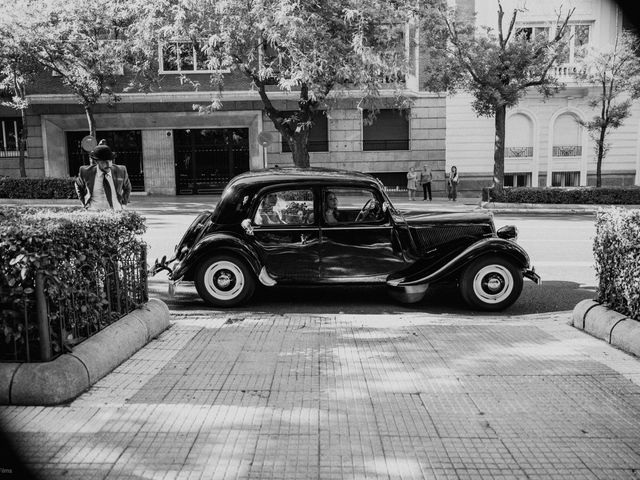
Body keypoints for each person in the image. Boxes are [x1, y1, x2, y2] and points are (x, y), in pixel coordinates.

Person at [75, 143, 131, 210]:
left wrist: (124, 204)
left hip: (115, 211)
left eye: (110, 160)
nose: (109, 164)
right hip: (93, 212)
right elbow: (78, 185)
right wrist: (83, 202)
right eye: (104, 162)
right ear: (96, 162)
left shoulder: (121, 171)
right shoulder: (85, 172)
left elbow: (127, 187)